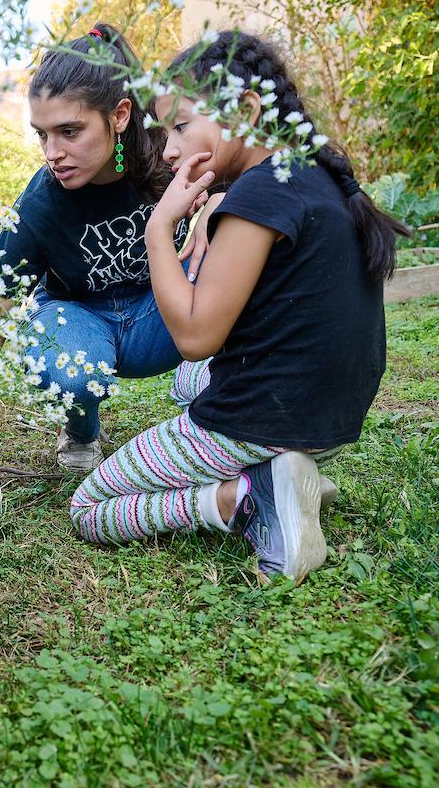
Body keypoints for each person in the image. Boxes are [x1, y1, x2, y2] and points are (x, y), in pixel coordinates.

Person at [70, 31, 407, 583]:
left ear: (247, 112)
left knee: (88, 509)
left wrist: (160, 228)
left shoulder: (258, 195)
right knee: (186, 384)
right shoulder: (308, 176)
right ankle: (292, 471)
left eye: (180, 127)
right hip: (332, 415)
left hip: (266, 414)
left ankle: (243, 498)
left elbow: (196, 336)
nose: (170, 149)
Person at [0, 23, 204, 471]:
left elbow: (249, 173)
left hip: (162, 313)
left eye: (69, 131)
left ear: (120, 115)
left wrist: (220, 203)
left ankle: (222, 404)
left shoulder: (171, 151)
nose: (52, 152)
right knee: (72, 375)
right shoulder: (39, 205)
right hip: (80, 322)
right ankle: (81, 431)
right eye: (42, 134)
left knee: (247, 253)